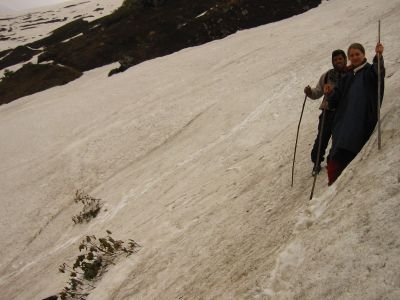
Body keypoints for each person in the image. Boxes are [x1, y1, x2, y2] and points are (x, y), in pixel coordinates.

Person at [325, 42, 385, 185]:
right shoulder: (347, 76)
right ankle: (334, 186)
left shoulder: (370, 71)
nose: (355, 57)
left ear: (363, 54)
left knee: (348, 147)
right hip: (343, 121)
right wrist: (329, 93)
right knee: (336, 151)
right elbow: (335, 99)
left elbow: (379, 74)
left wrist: (379, 56)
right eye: (352, 55)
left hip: (361, 117)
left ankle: (342, 183)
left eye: (357, 54)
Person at [304, 49, 348, 175]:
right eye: (335, 59)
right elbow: (318, 92)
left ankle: (332, 161)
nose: (338, 61)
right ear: (332, 62)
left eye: (340, 59)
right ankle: (316, 162)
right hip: (327, 111)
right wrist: (310, 92)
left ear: (345, 59)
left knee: (337, 138)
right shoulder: (327, 76)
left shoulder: (351, 73)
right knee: (322, 138)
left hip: (342, 112)